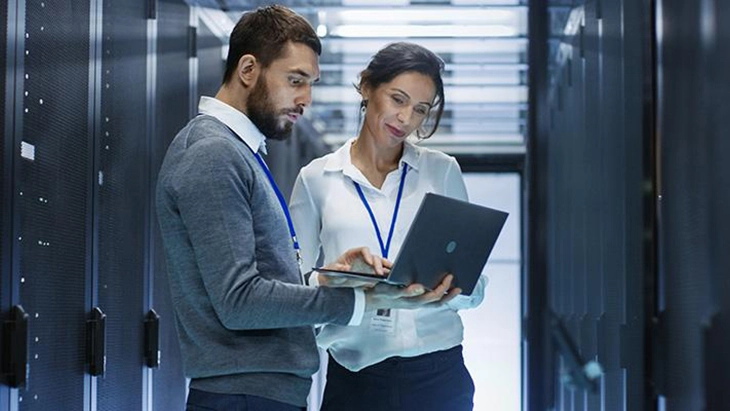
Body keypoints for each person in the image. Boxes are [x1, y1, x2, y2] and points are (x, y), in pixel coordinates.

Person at [155, 7, 458, 411]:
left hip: (260, 392)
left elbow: (267, 281)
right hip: (245, 395)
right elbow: (240, 300)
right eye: (295, 81)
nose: (306, 99)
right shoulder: (214, 153)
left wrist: (331, 280)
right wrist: (359, 302)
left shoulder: (239, 153)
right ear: (248, 69)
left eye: (310, 84)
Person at [289, 42, 488, 411]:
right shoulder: (317, 178)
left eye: (420, 110)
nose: (405, 119)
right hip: (355, 377)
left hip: (439, 374)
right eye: (398, 99)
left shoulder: (442, 171)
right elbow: (291, 289)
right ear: (366, 87)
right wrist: (333, 277)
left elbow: (474, 284)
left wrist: (453, 289)